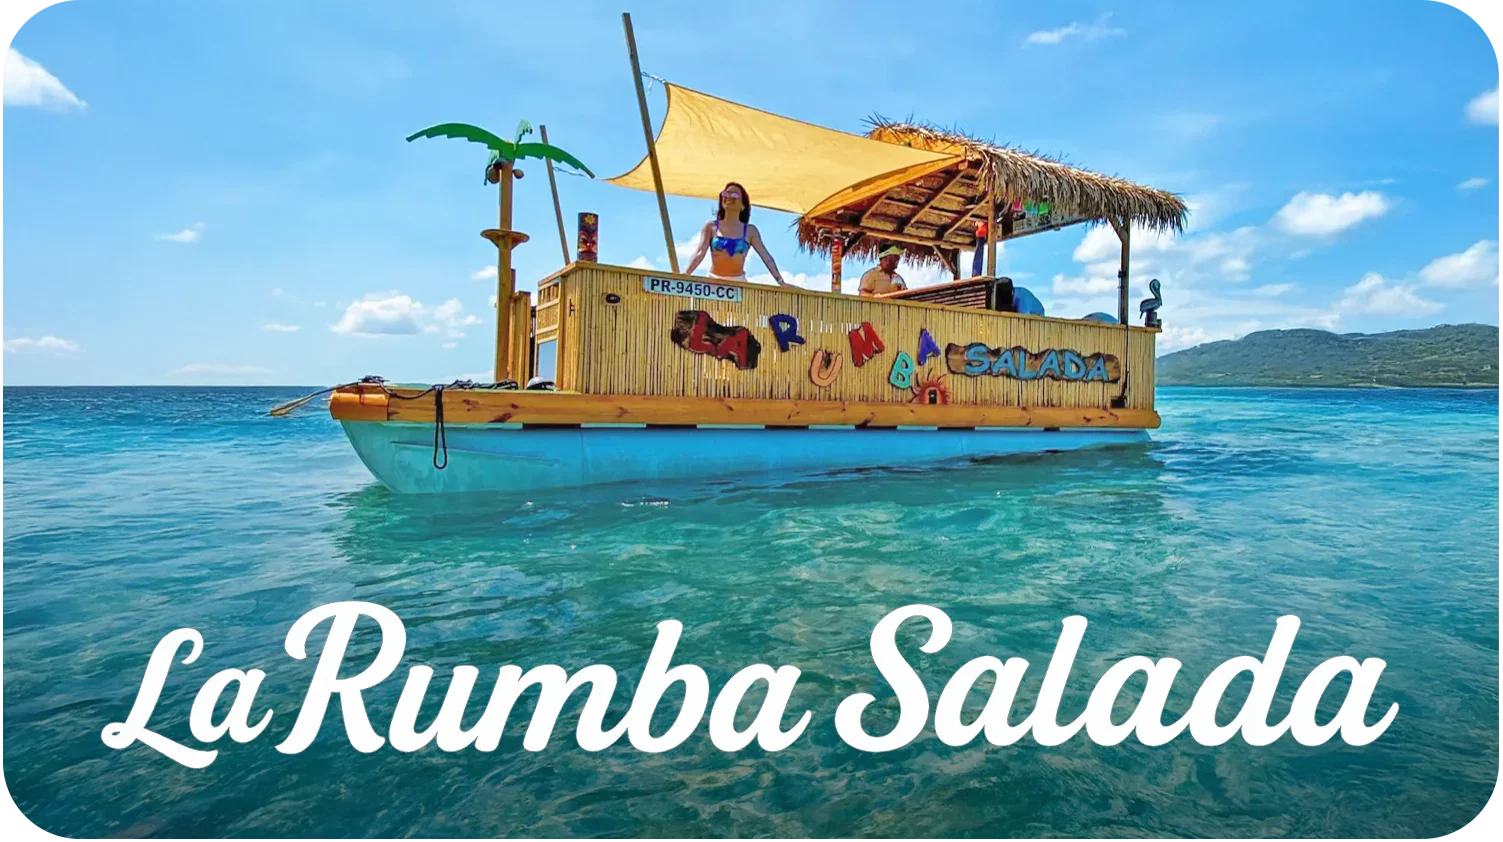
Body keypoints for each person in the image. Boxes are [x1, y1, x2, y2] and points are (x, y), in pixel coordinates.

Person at [682, 182, 788, 285]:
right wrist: (685, 275)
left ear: (743, 205)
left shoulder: (751, 231)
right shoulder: (711, 227)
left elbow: (766, 257)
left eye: (734, 195)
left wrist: (780, 281)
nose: (728, 197)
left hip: (739, 284)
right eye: (725, 194)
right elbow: (699, 253)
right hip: (713, 282)